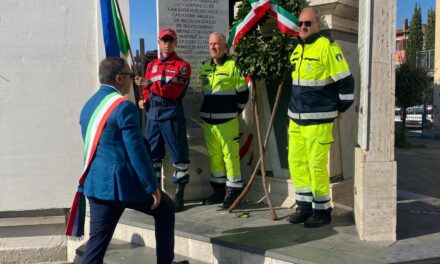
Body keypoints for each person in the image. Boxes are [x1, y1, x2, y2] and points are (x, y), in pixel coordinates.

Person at [80, 57, 175, 263]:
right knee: (166, 209)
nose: (132, 80)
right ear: (119, 78)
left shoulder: (89, 105)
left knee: (96, 246)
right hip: (121, 186)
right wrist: (151, 186)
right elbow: (136, 151)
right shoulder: (124, 107)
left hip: (96, 185)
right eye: (130, 76)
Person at [287, 7, 354, 228]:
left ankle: (322, 210)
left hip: (318, 120)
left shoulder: (327, 47)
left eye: (308, 23)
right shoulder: (297, 49)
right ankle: (304, 207)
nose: (303, 27)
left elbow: (346, 82)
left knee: (316, 165)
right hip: (295, 119)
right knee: (296, 163)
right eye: (301, 24)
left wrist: (339, 108)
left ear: (318, 25)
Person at [135, 27, 191, 212]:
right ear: (158, 42)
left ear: (175, 43)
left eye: (170, 40)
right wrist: (145, 100)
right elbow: (146, 91)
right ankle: (156, 195)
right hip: (153, 116)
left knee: (179, 157)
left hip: (171, 114)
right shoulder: (151, 66)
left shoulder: (182, 66)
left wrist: (149, 84)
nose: (167, 43)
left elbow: (173, 91)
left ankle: (179, 196)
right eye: (164, 40)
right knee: (152, 157)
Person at [199, 32, 249, 209]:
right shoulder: (204, 66)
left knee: (231, 157)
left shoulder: (233, 66)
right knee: (215, 157)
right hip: (208, 122)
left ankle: (234, 191)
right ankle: (218, 191)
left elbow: (243, 94)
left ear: (224, 46)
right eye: (210, 44)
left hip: (227, 121)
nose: (213, 47)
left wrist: (234, 112)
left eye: (217, 44)